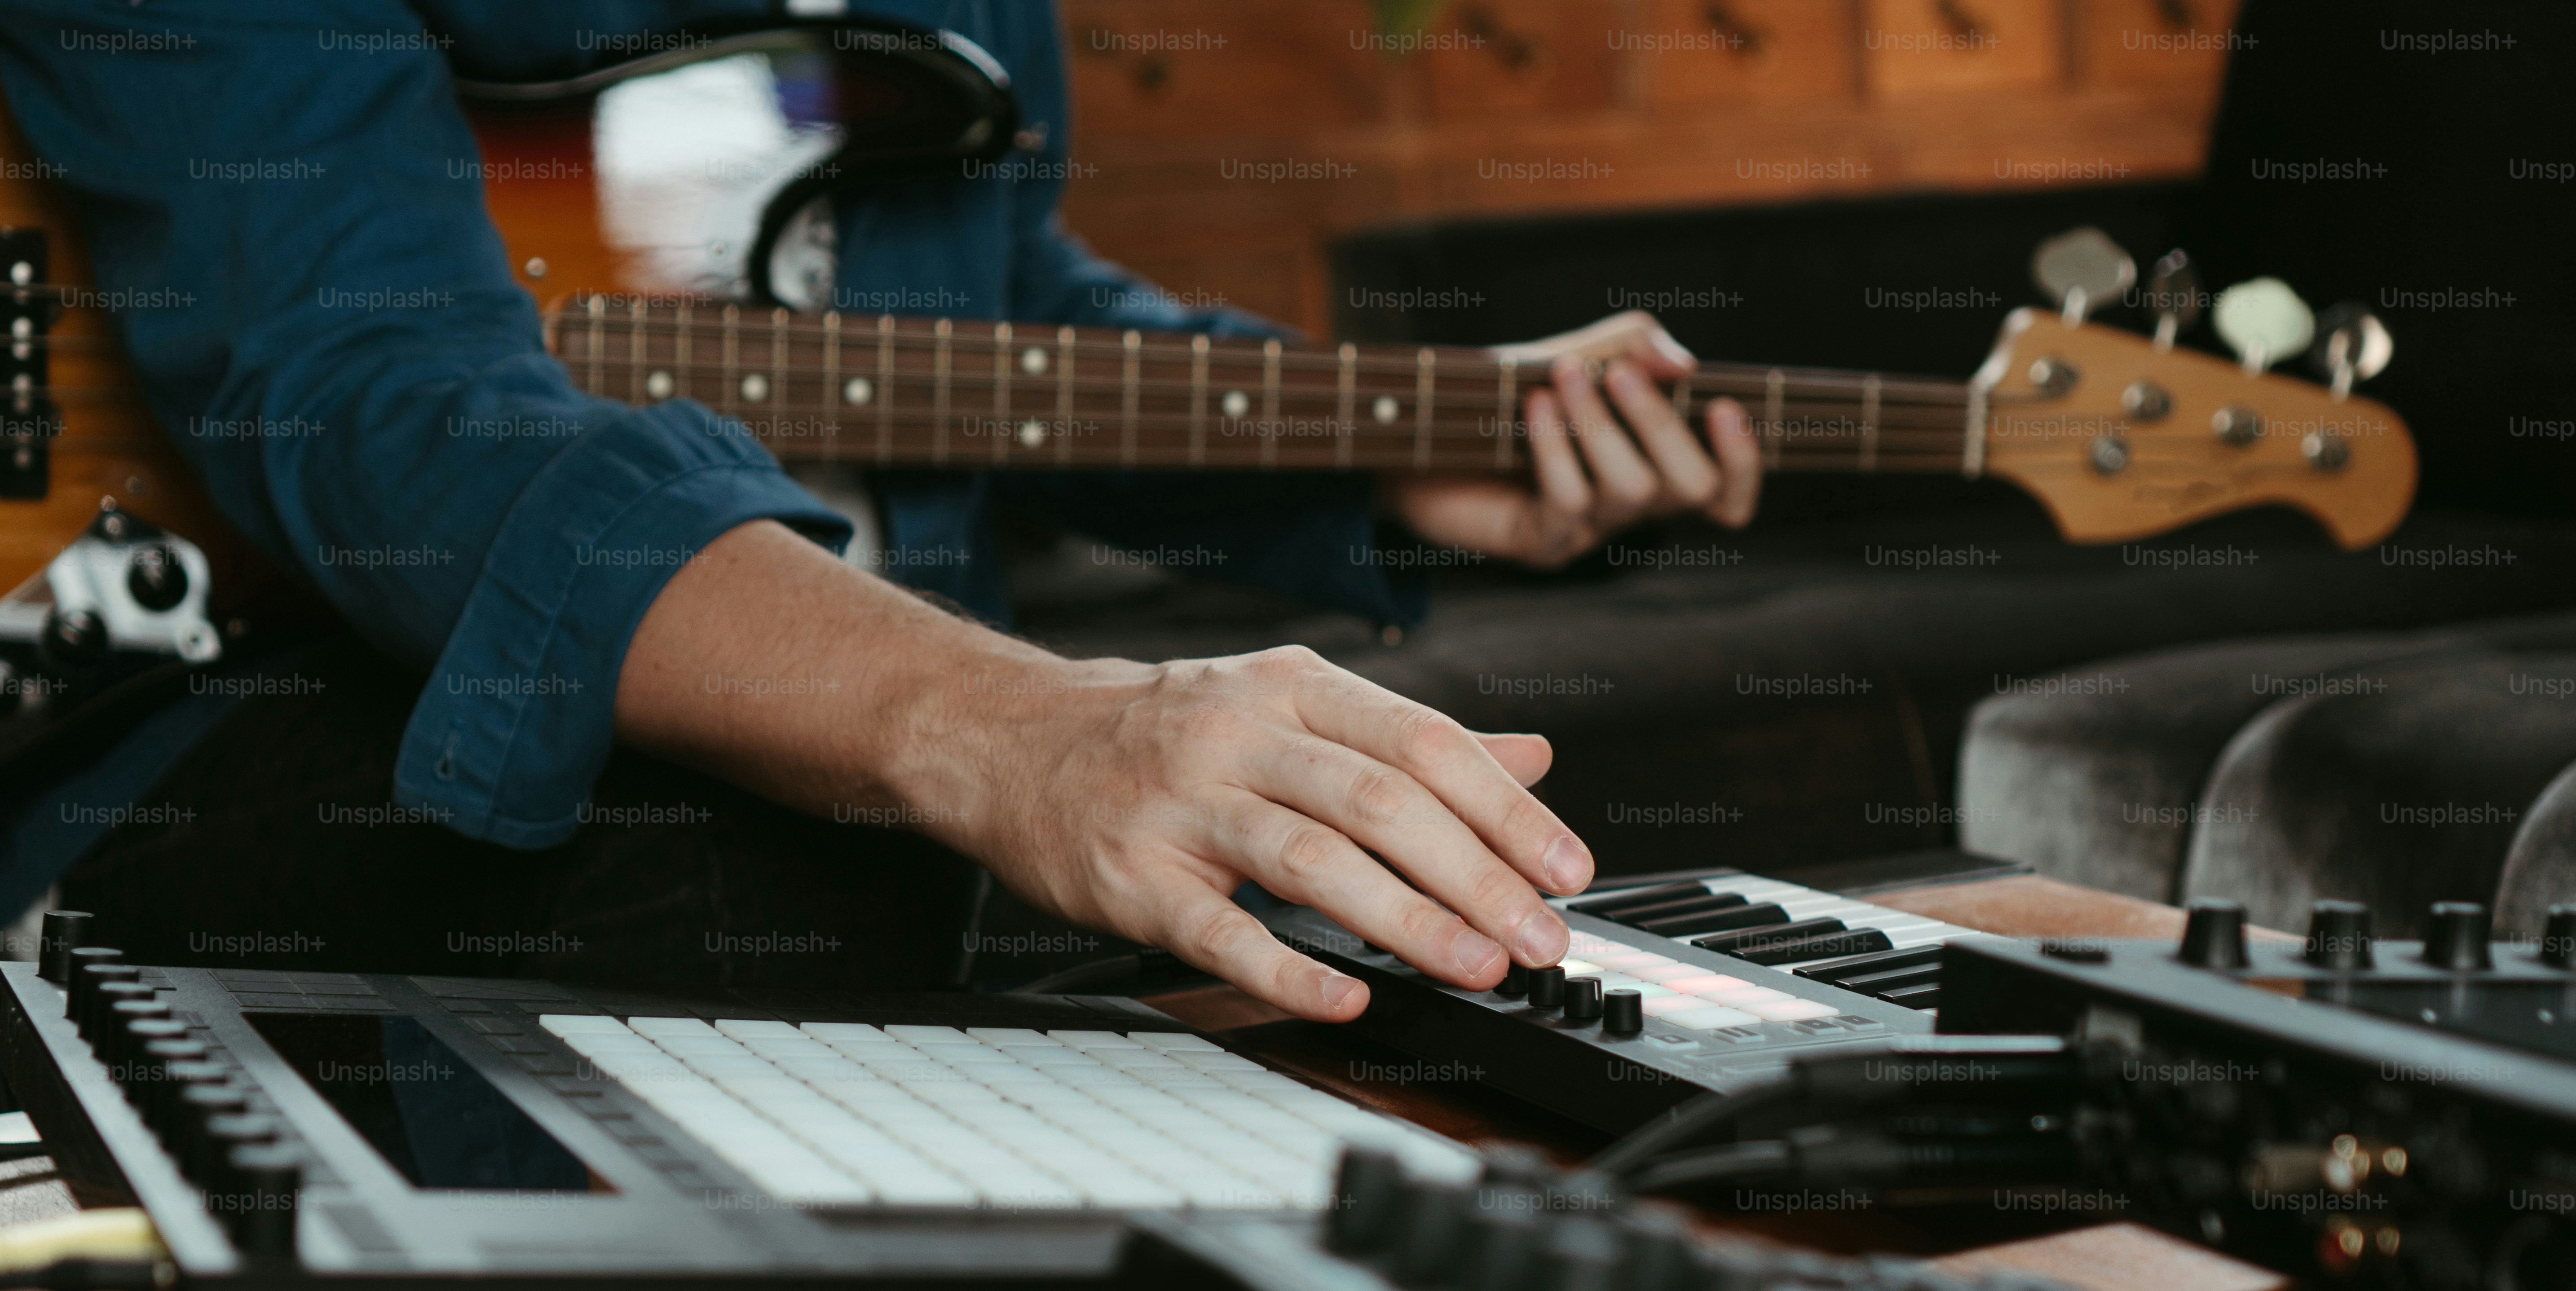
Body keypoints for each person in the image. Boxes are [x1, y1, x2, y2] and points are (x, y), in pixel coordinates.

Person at [0, 0, 1759, 1019]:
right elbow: (373, 384)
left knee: (1340, 891)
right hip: (176, 672)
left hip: (832, 623)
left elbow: (973, 302)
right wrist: (1005, 723)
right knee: (770, 873)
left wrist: (1368, 446)